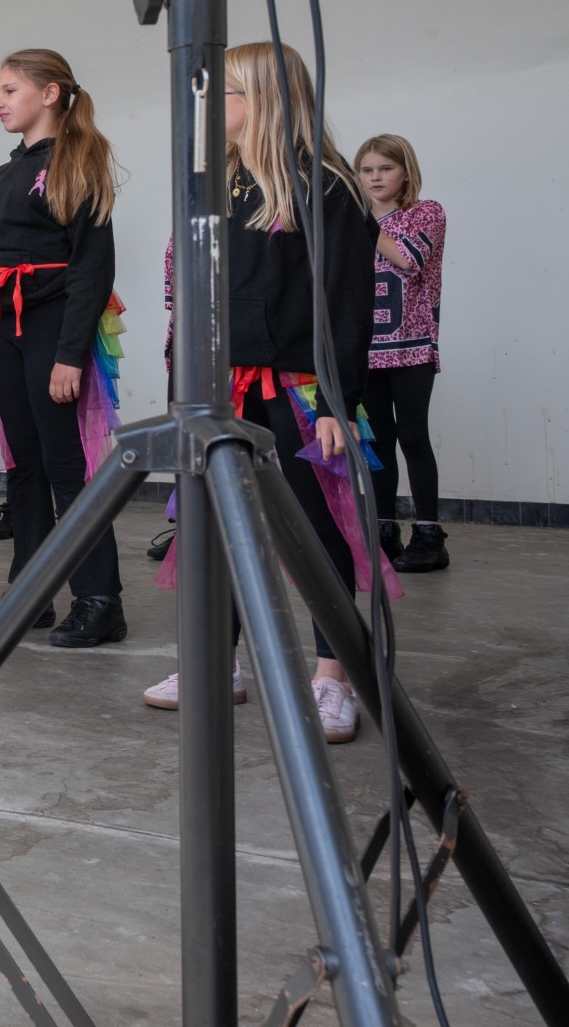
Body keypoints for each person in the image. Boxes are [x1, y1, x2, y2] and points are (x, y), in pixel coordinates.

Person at [144, 42, 397, 744]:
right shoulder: (219, 185)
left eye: (222, 93)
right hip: (226, 383)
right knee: (218, 523)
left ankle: (332, 676)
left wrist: (336, 405)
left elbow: (344, 305)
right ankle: (217, 663)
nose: (208, 106)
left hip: (296, 385)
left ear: (261, 100)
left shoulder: (326, 188)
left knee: (312, 525)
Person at [0, 49, 127, 647]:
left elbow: (92, 268)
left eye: (9, 90)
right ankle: (30, 593)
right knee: (22, 464)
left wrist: (70, 354)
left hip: (52, 329)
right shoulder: (0, 176)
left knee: (66, 466)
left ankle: (100, 599)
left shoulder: (77, 163)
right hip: (5, 331)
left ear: (49, 94)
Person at [356, 135, 448, 573]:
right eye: (366, 170)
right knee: (377, 441)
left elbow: (409, 260)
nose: (375, 178)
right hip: (366, 349)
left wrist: (361, 220)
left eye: (385, 168)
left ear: (405, 173)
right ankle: (384, 530)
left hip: (411, 346)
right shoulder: (351, 222)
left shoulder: (426, 212)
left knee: (412, 436)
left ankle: (429, 535)